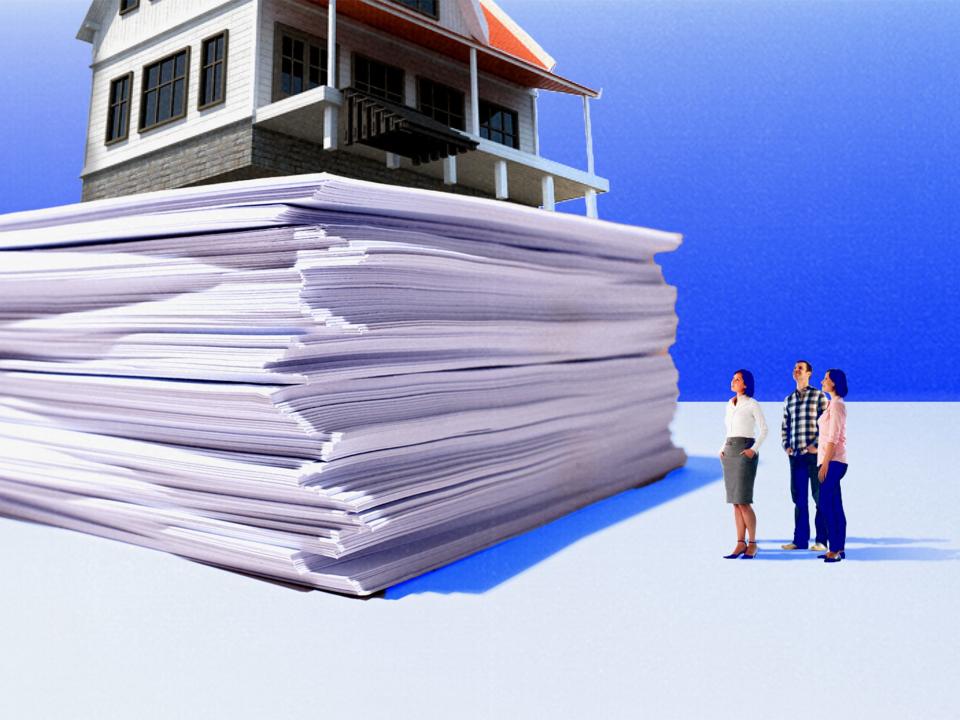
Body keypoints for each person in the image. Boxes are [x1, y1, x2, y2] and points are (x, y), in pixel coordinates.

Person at [780, 360, 829, 552]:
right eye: (794, 368)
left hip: (815, 456)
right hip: (796, 457)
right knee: (799, 499)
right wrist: (787, 447)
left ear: (809, 373)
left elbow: (827, 424)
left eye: (800, 368)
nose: (796, 370)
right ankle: (800, 540)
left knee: (819, 497)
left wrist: (816, 446)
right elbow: (785, 426)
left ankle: (822, 540)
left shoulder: (819, 396)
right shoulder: (789, 399)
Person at [721, 369, 768, 559]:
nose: (733, 381)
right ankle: (740, 542)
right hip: (729, 451)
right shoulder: (729, 404)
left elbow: (764, 429)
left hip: (744, 451)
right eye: (733, 378)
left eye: (737, 379)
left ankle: (753, 543)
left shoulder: (752, 404)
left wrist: (753, 449)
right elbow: (728, 430)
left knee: (744, 500)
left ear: (745, 384)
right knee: (734, 502)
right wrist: (722, 448)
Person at [817, 369, 848, 563]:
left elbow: (833, 438)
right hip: (828, 459)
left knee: (827, 505)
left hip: (834, 461)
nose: (822, 381)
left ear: (834, 383)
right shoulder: (831, 405)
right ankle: (837, 547)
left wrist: (825, 464)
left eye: (826, 378)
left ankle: (835, 549)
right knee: (834, 505)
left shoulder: (837, 405)